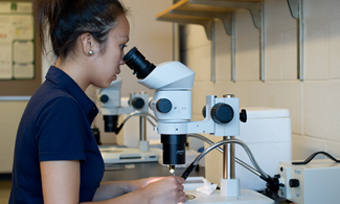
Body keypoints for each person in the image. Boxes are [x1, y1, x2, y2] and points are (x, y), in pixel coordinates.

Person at [8, 0, 186, 203]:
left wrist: (134, 186)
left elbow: (78, 192)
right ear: (89, 43)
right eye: (121, 45)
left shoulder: (56, 96)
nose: (123, 59)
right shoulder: (60, 107)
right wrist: (146, 198)